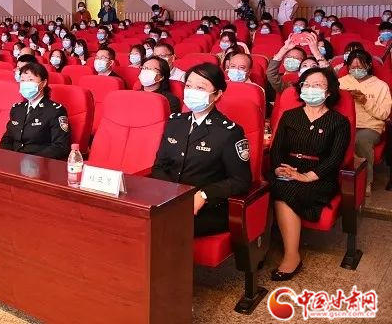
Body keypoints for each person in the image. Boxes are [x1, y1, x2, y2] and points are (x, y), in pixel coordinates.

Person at [151, 63, 252, 237]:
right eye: (189, 86)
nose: (192, 92)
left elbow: (240, 181)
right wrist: (170, 195)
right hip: (170, 201)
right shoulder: (175, 122)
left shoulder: (229, 132)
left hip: (207, 207)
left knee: (161, 228)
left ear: (217, 94)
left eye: (200, 88)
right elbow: (160, 166)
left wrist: (205, 195)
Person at [270, 68, 350, 280]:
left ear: (329, 91)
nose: (310, 88)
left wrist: (307, 176)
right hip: (287, 169)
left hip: (320, 177)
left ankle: (291, 256)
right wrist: (279, 168)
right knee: (273, 184)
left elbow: (335, 158)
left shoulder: (338, 121)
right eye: (306, 84)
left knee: (284, 188)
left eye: (317, 85)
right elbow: (277, 149)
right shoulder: (290, 116)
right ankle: (263, 248)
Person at [338, 49, 392, 192]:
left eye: (360, 66)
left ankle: (364, 182)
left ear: (368, 65)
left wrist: (365, 101)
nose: (356, 70)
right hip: (344, 124)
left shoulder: (380, 86)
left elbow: (384, 114)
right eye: (352, 67)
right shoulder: (341, 83)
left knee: (360, 140)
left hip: (370, 127)